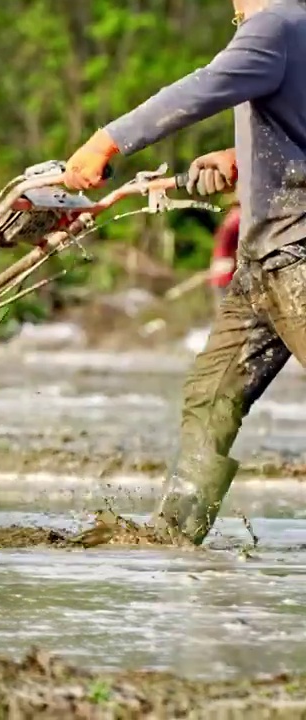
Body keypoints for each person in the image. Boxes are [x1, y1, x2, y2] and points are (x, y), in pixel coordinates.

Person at [61, 0, 306, 546]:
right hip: (263, 264)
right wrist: (239, 157)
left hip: (296, 255)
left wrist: (106, 141)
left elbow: (201, 88)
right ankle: (175, 536)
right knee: (210, 394)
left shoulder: (278, 24)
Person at [210, 199, 240, 309]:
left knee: (224, 312)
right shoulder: (238, 218)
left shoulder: (228, 219)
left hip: (219, 271)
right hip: (228, 272)